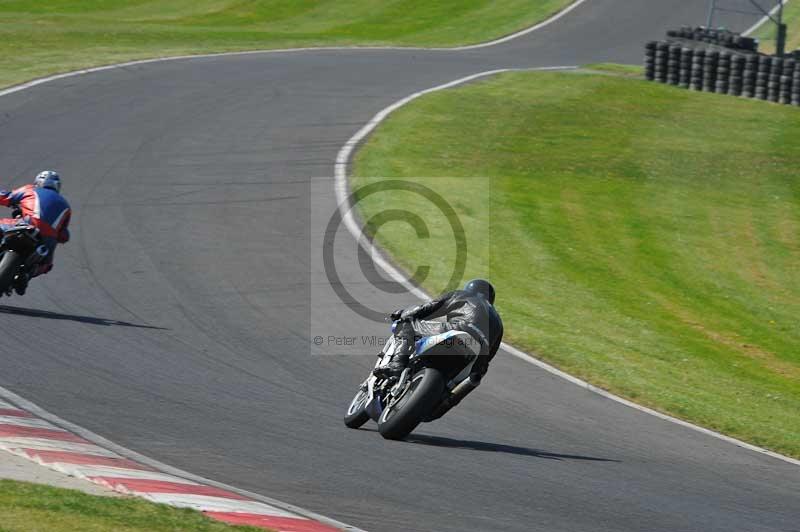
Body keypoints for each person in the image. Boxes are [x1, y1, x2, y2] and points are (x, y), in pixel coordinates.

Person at [378, 279, 503, 382]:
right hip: (479, 353)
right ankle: (443, 403)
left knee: (406, 324)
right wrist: (478, 370)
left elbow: (426, 309)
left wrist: (403, 314)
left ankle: (396, 364)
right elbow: (489, 357)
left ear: (470, 289)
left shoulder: (462, 294)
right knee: (470, 380)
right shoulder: (498, 321)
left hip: (459, 329)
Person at [0, 171, 71, 295]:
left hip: (27, 224)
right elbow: (64, 235)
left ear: (38, 182)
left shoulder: (29, 190)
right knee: (47, 264)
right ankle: (26, 275)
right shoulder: (66, 207)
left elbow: (6, 197)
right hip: (48, 240)